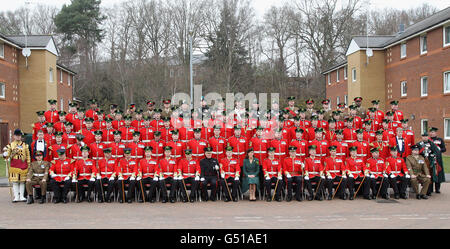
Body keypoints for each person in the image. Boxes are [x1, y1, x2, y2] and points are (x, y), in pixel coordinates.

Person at [3, 129, 30, 202]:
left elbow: (28, 156)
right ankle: (16, 196)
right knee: (15, 181)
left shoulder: (25, 145)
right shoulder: (10, 145)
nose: (18, 137)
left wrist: (29, 164)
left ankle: (21, 196)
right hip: (14, 164)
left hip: (23, 164)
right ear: (14, 136)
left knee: (22, 181)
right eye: (17, 136)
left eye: (19, 136)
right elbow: (7, 156)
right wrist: (5, 154)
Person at [428, 127, 446, 194]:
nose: (431, 133)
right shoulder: (428, 140)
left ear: (436, 133)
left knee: (438, 172)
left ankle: (437, 188)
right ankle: (430, 188)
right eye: (430, 132)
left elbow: (444, 149)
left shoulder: (440, 140)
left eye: (433, 132)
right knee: (431, 172)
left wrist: (439, 149)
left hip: (438, 158)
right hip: (430, 158)